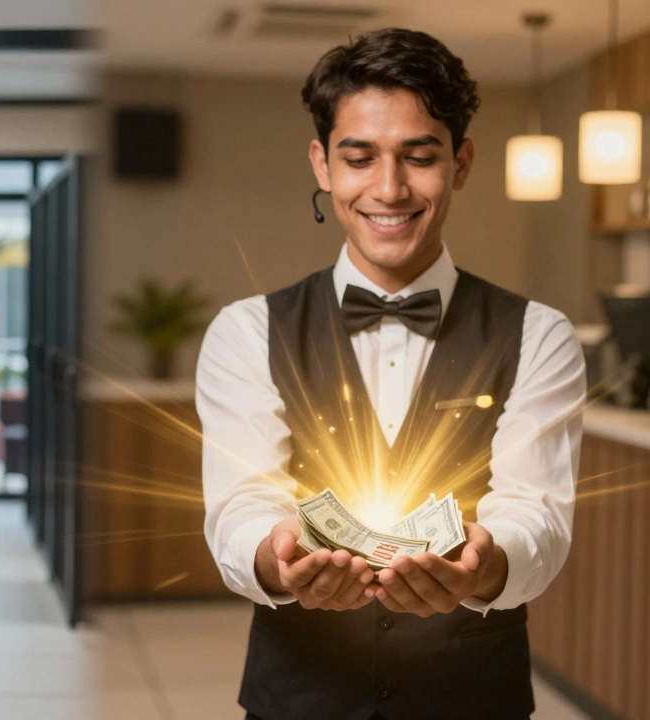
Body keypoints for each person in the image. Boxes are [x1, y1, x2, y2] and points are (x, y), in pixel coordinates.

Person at [197, 29, 585, 720]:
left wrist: (484, 564)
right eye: (359, 157)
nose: (389, 188)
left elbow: (539, 516)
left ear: (460, 162)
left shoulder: (541, 334)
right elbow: (239, 507)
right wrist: (276, 558)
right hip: (298, 696)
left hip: (471, 697)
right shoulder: (245, 330)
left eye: (419, 156)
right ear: (322, 164)